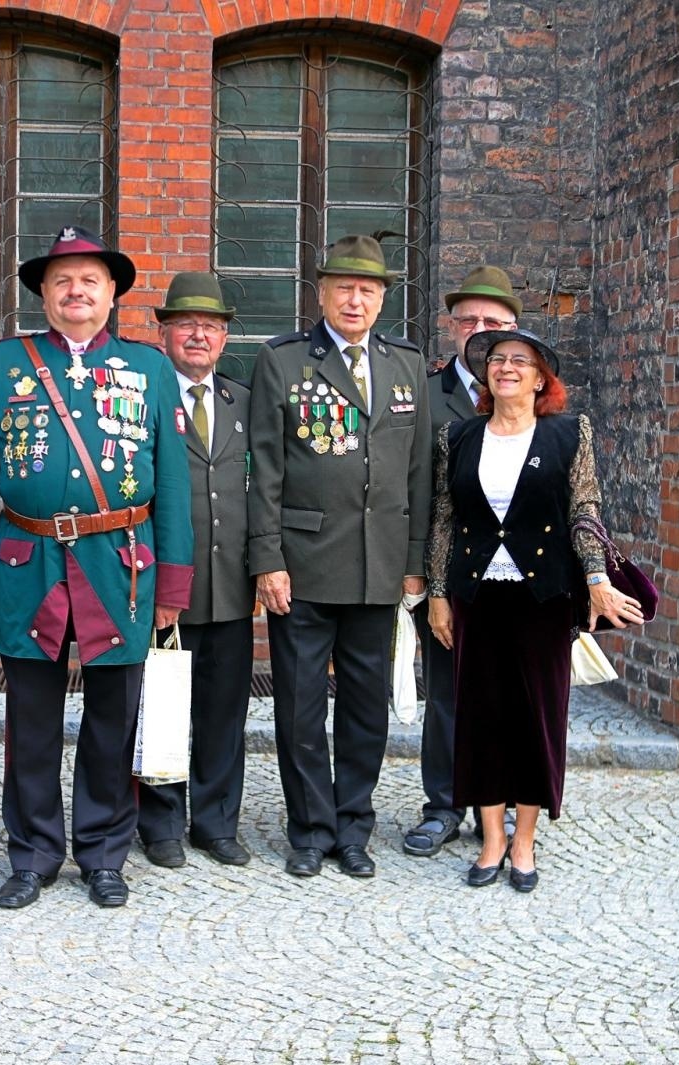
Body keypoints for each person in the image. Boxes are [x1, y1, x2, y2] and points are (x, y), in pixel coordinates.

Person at [0, 225, 193, 909]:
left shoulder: (149, 369)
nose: (75, 292)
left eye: (89, 280)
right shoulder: (3, 366)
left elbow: (173, 486)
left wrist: (171, 584)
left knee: (111, 719)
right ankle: (32, 852)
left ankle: (102, 851)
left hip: (119, 562)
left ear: (113, 291)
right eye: (61, 281)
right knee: (30, 718)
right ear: (42, 293)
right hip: (27, 562)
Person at [427, 327, 642, 892]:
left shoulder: (570, 434)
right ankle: (491, 838)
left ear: (542, 377)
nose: (507, 368)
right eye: (498, 360)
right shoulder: (459, 436)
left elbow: (585, 507)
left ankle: (524, 840)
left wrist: (595, 576)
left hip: (542, 596)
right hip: (478, 594)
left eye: (520, 361)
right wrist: (439, 595)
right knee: (481, 717)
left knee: (536, 718)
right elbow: (446, 518)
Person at [247, 234, 431, 880]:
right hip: (301, 564)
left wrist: (414, 562)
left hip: (378, 567)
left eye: (368, 289)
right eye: (344, 288)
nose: (356, 299)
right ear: (320, 292)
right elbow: (264, 468)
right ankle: (309, 828)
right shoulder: (284, 360)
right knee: (298, 706)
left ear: (383, 299)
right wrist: (266, 558)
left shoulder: (407, 366)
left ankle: (353, 826)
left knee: (363, 707)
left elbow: (417, 475)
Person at [136, 272, 254, 869]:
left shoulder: (243, 402)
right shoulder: (144, 397)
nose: (198, 334)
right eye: (186, 324)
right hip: (162, 586)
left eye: (210, 325)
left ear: (226, 336)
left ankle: (215, 822)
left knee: (223, 711)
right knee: (163, 704)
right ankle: (159, 824)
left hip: (231, 584)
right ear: (165, 333)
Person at [404, 265, 521, 859]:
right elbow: (414, 491)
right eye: (470, 320)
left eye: (494, 323)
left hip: (517, 577)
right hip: (449, 572)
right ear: (452, 328)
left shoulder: (532, 395)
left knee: (509, 694)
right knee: (448, 693)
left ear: (514, 330)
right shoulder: (426, 396)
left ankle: (498, 812)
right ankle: (444, 806)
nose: (481, 331)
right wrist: (422, 575)